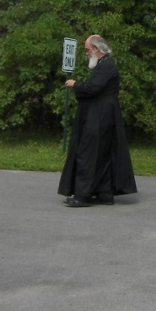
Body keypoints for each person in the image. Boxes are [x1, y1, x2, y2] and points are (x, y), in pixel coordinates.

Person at [58, 35, 137, 207]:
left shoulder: (107, 66)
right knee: (101, 155)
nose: (86, 53)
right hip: (103, 115)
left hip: (101, 116)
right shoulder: (104, 65)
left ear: (96, 49)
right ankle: (104, 193)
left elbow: (93, 88)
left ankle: (83, 195)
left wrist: (75, 84)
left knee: (88, 154)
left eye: (87, 50)